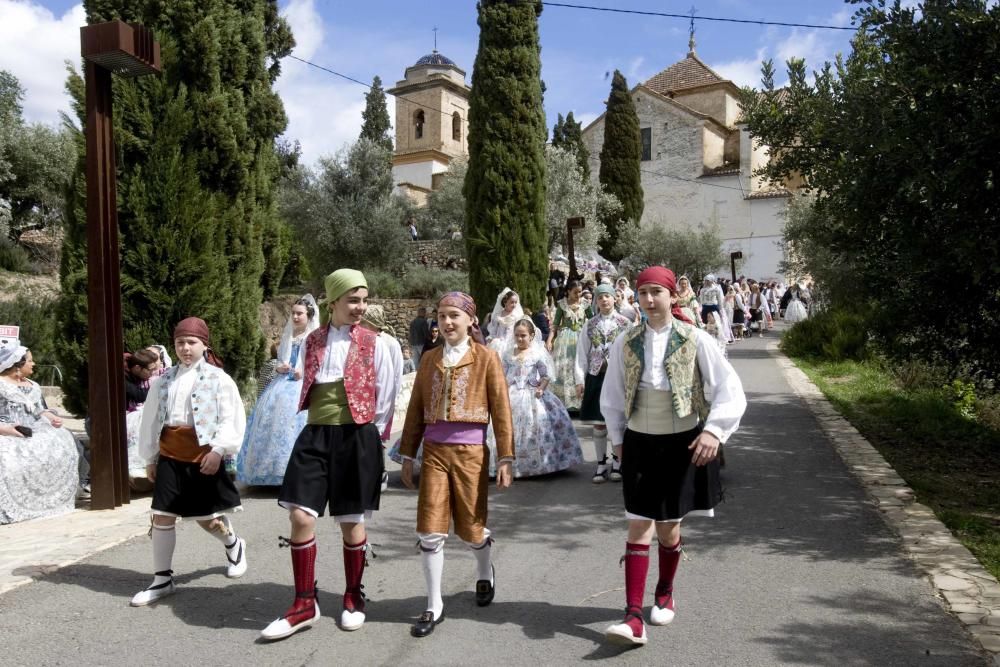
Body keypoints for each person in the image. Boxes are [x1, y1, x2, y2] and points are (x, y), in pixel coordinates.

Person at [598, 267, 746, 647]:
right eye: (643, 293)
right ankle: (632, 616)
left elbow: (728, 389)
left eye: (656, 293)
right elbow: (613, 394)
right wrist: (617, 438)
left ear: (672, 297)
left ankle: (664, 590)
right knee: (638, 525)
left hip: (681, 442)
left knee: (668, 528)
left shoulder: (694, 338)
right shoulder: (625, 341)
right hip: (639, 444)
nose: (649, 300)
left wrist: (714, 431)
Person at [260, 270, 400, 641]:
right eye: (353, 300)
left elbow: (385, 396)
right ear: (333, 301)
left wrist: (372, 436)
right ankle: (304, 602)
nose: (360, 307)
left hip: (356, 434)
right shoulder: (313, 341)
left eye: (364, 300)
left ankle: (353, 595)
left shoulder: (377, 343)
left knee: (351, 521)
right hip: (317, 433)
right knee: (300, 515)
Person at [398, 292, 514, 638]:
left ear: (470, 321)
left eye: (453, 316)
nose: (446, 322)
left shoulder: (487, 358)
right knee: (430, 530)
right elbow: (416, 408)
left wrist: (506, 456)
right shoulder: (429, 360)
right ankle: (434, 604)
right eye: (441, 316)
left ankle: (484, 569)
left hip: (471, 455)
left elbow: (502, 410)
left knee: (471, 530)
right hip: (434, 452)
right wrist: (407, 453)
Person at [131, 317, 248, 606]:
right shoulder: (164, 380)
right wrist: (150, 457)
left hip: (202, 456)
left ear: (204, 345)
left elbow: (231, 417)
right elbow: (151, 419)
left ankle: (234, 545)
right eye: (180, 342)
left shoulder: (219, 379)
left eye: (192, 342)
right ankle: (162, 579)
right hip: (170, 455)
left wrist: (219, 450)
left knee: (207, 520)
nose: (185, 348)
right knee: (161, 515)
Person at [237, 296, 320, 487]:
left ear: (309, 316)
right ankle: (270, 471)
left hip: (302, 385)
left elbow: (318, 363)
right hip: (282, 383)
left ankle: (298, 471)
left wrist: (305, 371)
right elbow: (282, 360)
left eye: (300, 314)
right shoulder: (288, 336)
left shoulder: (313, 338)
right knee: (269, 421)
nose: (296, 317)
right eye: (294, 313)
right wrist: (279, 368)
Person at [487, 318, 582, 478]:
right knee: (505, 426)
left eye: (523, 335)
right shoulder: (508, 354)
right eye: (517, 335)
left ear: (531, 336)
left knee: (536, 426)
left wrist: (540, 388)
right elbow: (502, 374)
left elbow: (546, 375)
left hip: (531, 393)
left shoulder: (536, 354)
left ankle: (539, 464)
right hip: (511, 393)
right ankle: (506, 462)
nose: (519, 339)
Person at [0, 345, 84, 524]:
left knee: (64, 440)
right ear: (17, 364)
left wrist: (52, 417)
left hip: (36, 430)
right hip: (7, 430)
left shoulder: (34, 386)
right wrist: (5, 429)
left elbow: (39, 411)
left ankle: (66, 493)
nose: (34, 363)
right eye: (30, 360)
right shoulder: (1, 385)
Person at [575, 284, 633, 484]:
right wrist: (580, 378)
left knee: (618, 421)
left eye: (607, 296)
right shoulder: (589, 325)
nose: (604, 300)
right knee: (599, 424)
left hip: (618, 377)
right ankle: (601, 463)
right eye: (600, 298)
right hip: (597, 376)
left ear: (614, 298)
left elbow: (632, 351)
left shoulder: (625, 323)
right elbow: (582, 352)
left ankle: (618, 462)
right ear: (596, 301)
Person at [547, 280, 589, 412]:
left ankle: (581, 402)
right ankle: (565, 402)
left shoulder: (585, 305)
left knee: (580, 367)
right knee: (566, 368)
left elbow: (593, 321)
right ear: (568, 291)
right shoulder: (562, 305)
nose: (578, 295)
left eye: (580, 292)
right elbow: (554, 325)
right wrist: (549, 341)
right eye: (575, 292)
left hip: (581, 339)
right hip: (565, 342)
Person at [124, 349, 160, 488]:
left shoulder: (136, 375)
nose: (152, 374)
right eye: (150, 371)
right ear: (138, 368)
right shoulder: (122, 377)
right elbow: (139, 395)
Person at [486, 288, 523, 353]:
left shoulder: (517, 316)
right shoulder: (497, 315)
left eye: (515, 302)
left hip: (511, 344)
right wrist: (491, 340)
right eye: (512, 302)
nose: (514, 305)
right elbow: (493, 331)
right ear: (505, 302)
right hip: (497, 345)